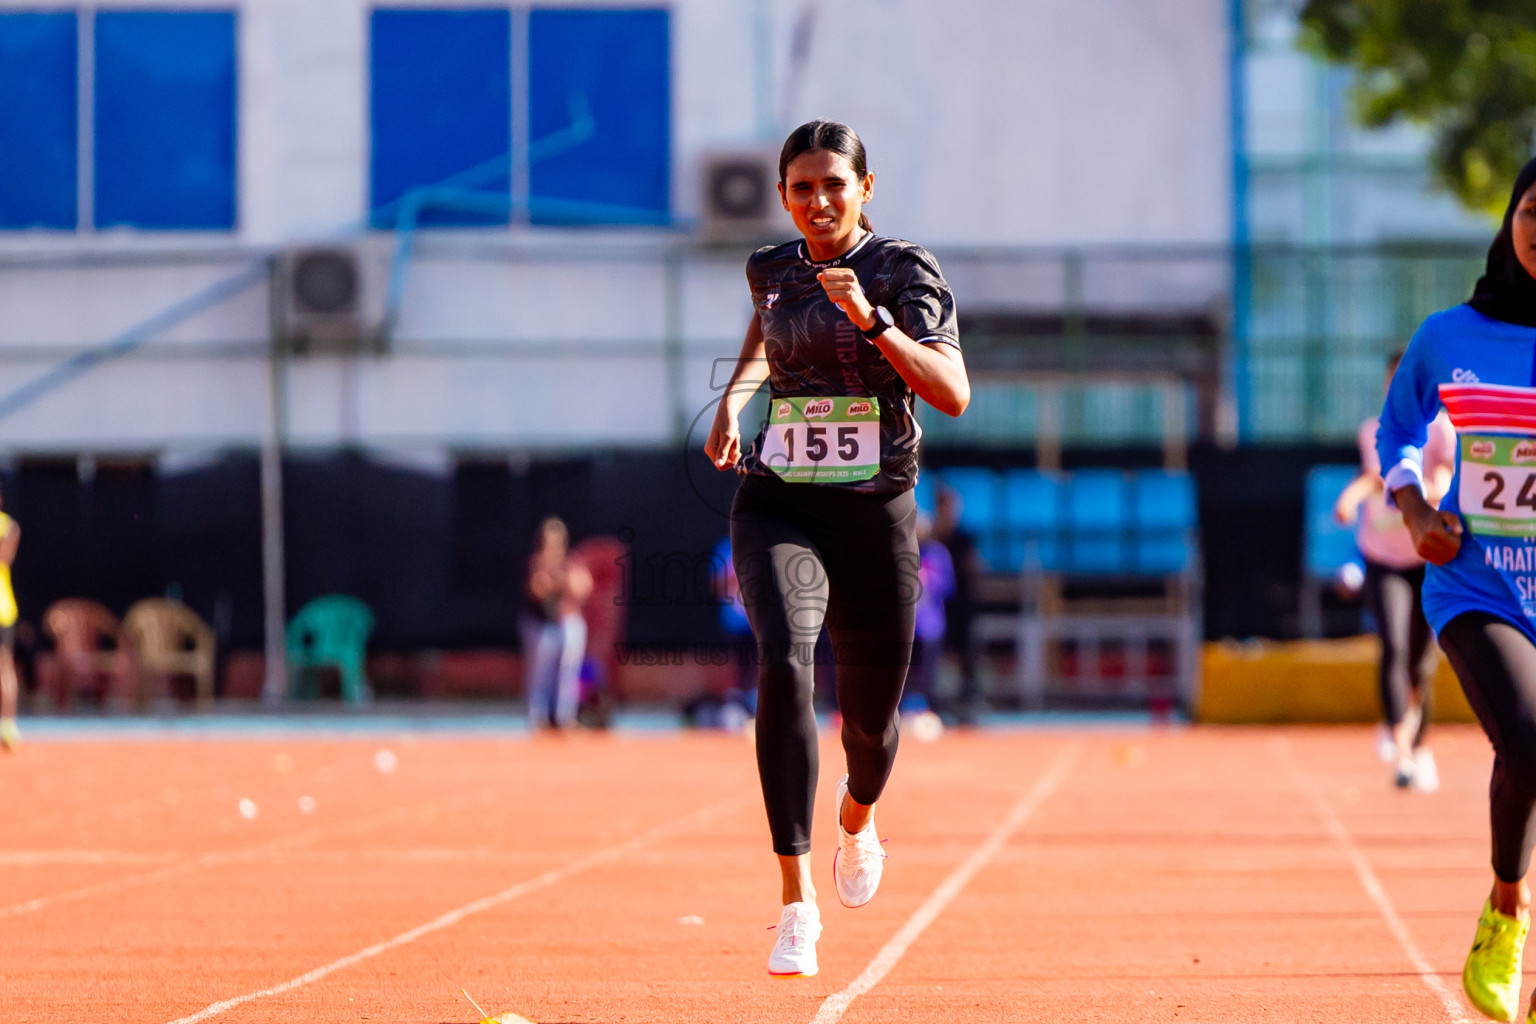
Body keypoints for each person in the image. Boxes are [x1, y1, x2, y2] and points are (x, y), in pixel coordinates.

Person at [704, 119, 969, 977]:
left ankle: (858, 819)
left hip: (875, 511)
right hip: (779, 499)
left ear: (865, 188)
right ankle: (796, 904)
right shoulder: (771, 268)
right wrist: (736, 399)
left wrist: (874, 322)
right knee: (784, 661)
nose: (818, 201)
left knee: (871, 723)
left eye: (833, 185)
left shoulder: (904, 271)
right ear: (783, 195)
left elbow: (953, 392)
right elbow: (764, 330)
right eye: (802, 188)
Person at [1379, 156, 1536, 1023]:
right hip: (1479, 583)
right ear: (1510, 221)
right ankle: (1507, 909)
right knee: (1530, 741)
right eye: (1532, 209)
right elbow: (1399, 431)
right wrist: (1411, 507)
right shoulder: (1451, 336)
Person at [1335, 350, 1455, 791]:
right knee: (1393, 645)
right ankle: (1401, 749)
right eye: (1394, 380)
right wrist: (1350, 499)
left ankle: (1420, 746)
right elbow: (1374, 476)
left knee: (1421, 660)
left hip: (1427, 556)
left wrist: (1433, 489)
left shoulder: (1443, 431)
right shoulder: (1375, 431)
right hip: (1382, 556)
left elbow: (1446, 475)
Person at [519, 518, 592, 732]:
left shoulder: (572, 561)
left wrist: (559, 580)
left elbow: (582, 587)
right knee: (539, 675)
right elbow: (537, 589)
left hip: (567, 623)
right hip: (540, 624)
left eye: (557, 540)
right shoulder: (536, 562)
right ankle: (537, 718)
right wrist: (558, 581)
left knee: (568, 672)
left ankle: (564, 717)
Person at [903, 513, 953, 741]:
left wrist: (924, 580)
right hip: (905, 628)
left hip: (930, 625)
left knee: (929, 675)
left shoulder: (938, 554)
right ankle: (900, 715)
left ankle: (930, 711)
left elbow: (947, 587)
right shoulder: (900, 551)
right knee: (901, 675)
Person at [0, 489, 19, 750]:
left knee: (4, 666)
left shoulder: (8, 526)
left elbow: (4, 558)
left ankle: (8, 726)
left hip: (2, 608)